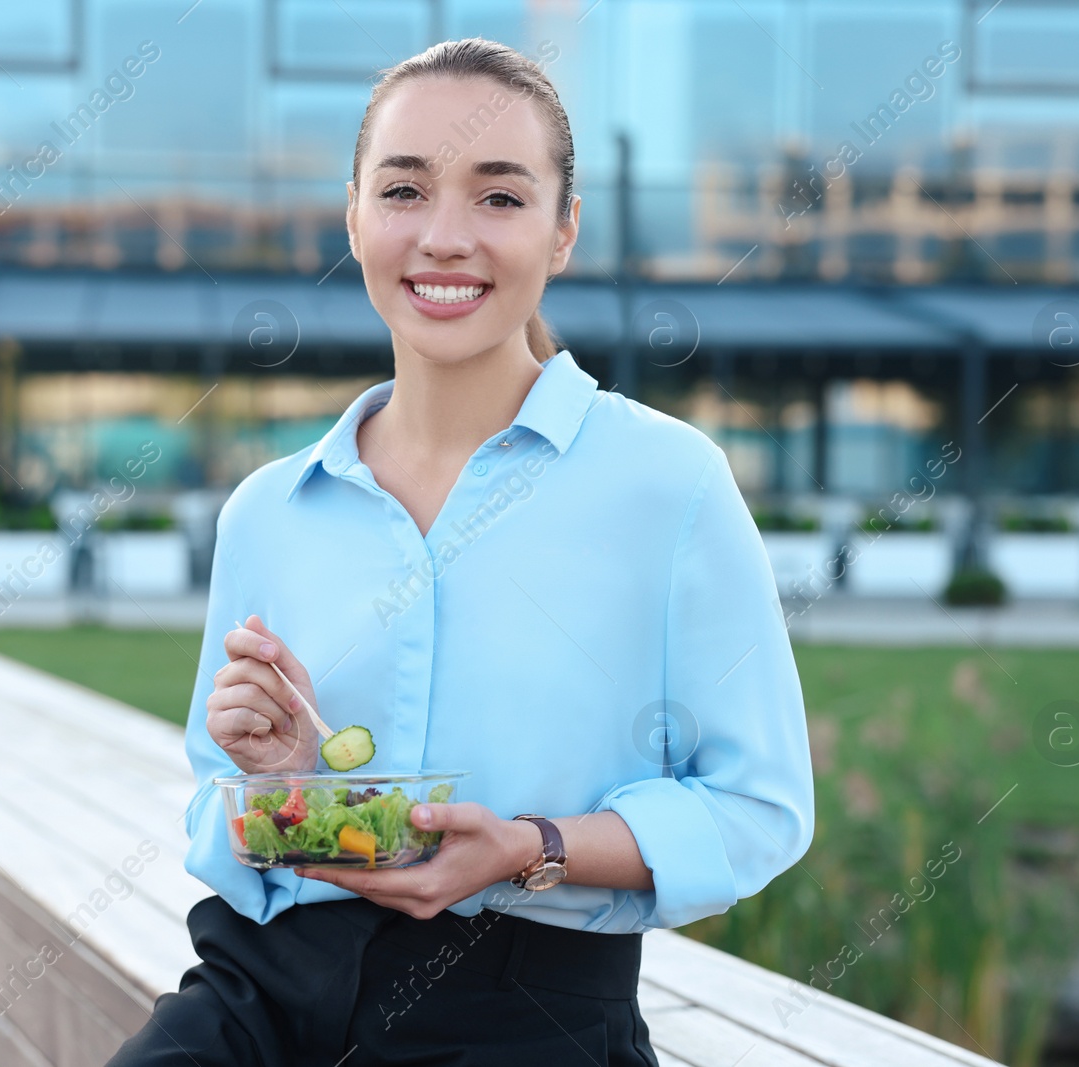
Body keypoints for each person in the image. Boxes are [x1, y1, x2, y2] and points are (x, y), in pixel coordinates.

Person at [107, 36, 815, 1067]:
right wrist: (284, 786)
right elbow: (224, 819)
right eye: (403, 190)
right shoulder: (268, 512)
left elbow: (758, 805)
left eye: (498, 197)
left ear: (563, 229)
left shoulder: (670, 484)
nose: (444, 237)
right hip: (260, 989)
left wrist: (532, 848)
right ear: (352, 214)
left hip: (525, 1009)